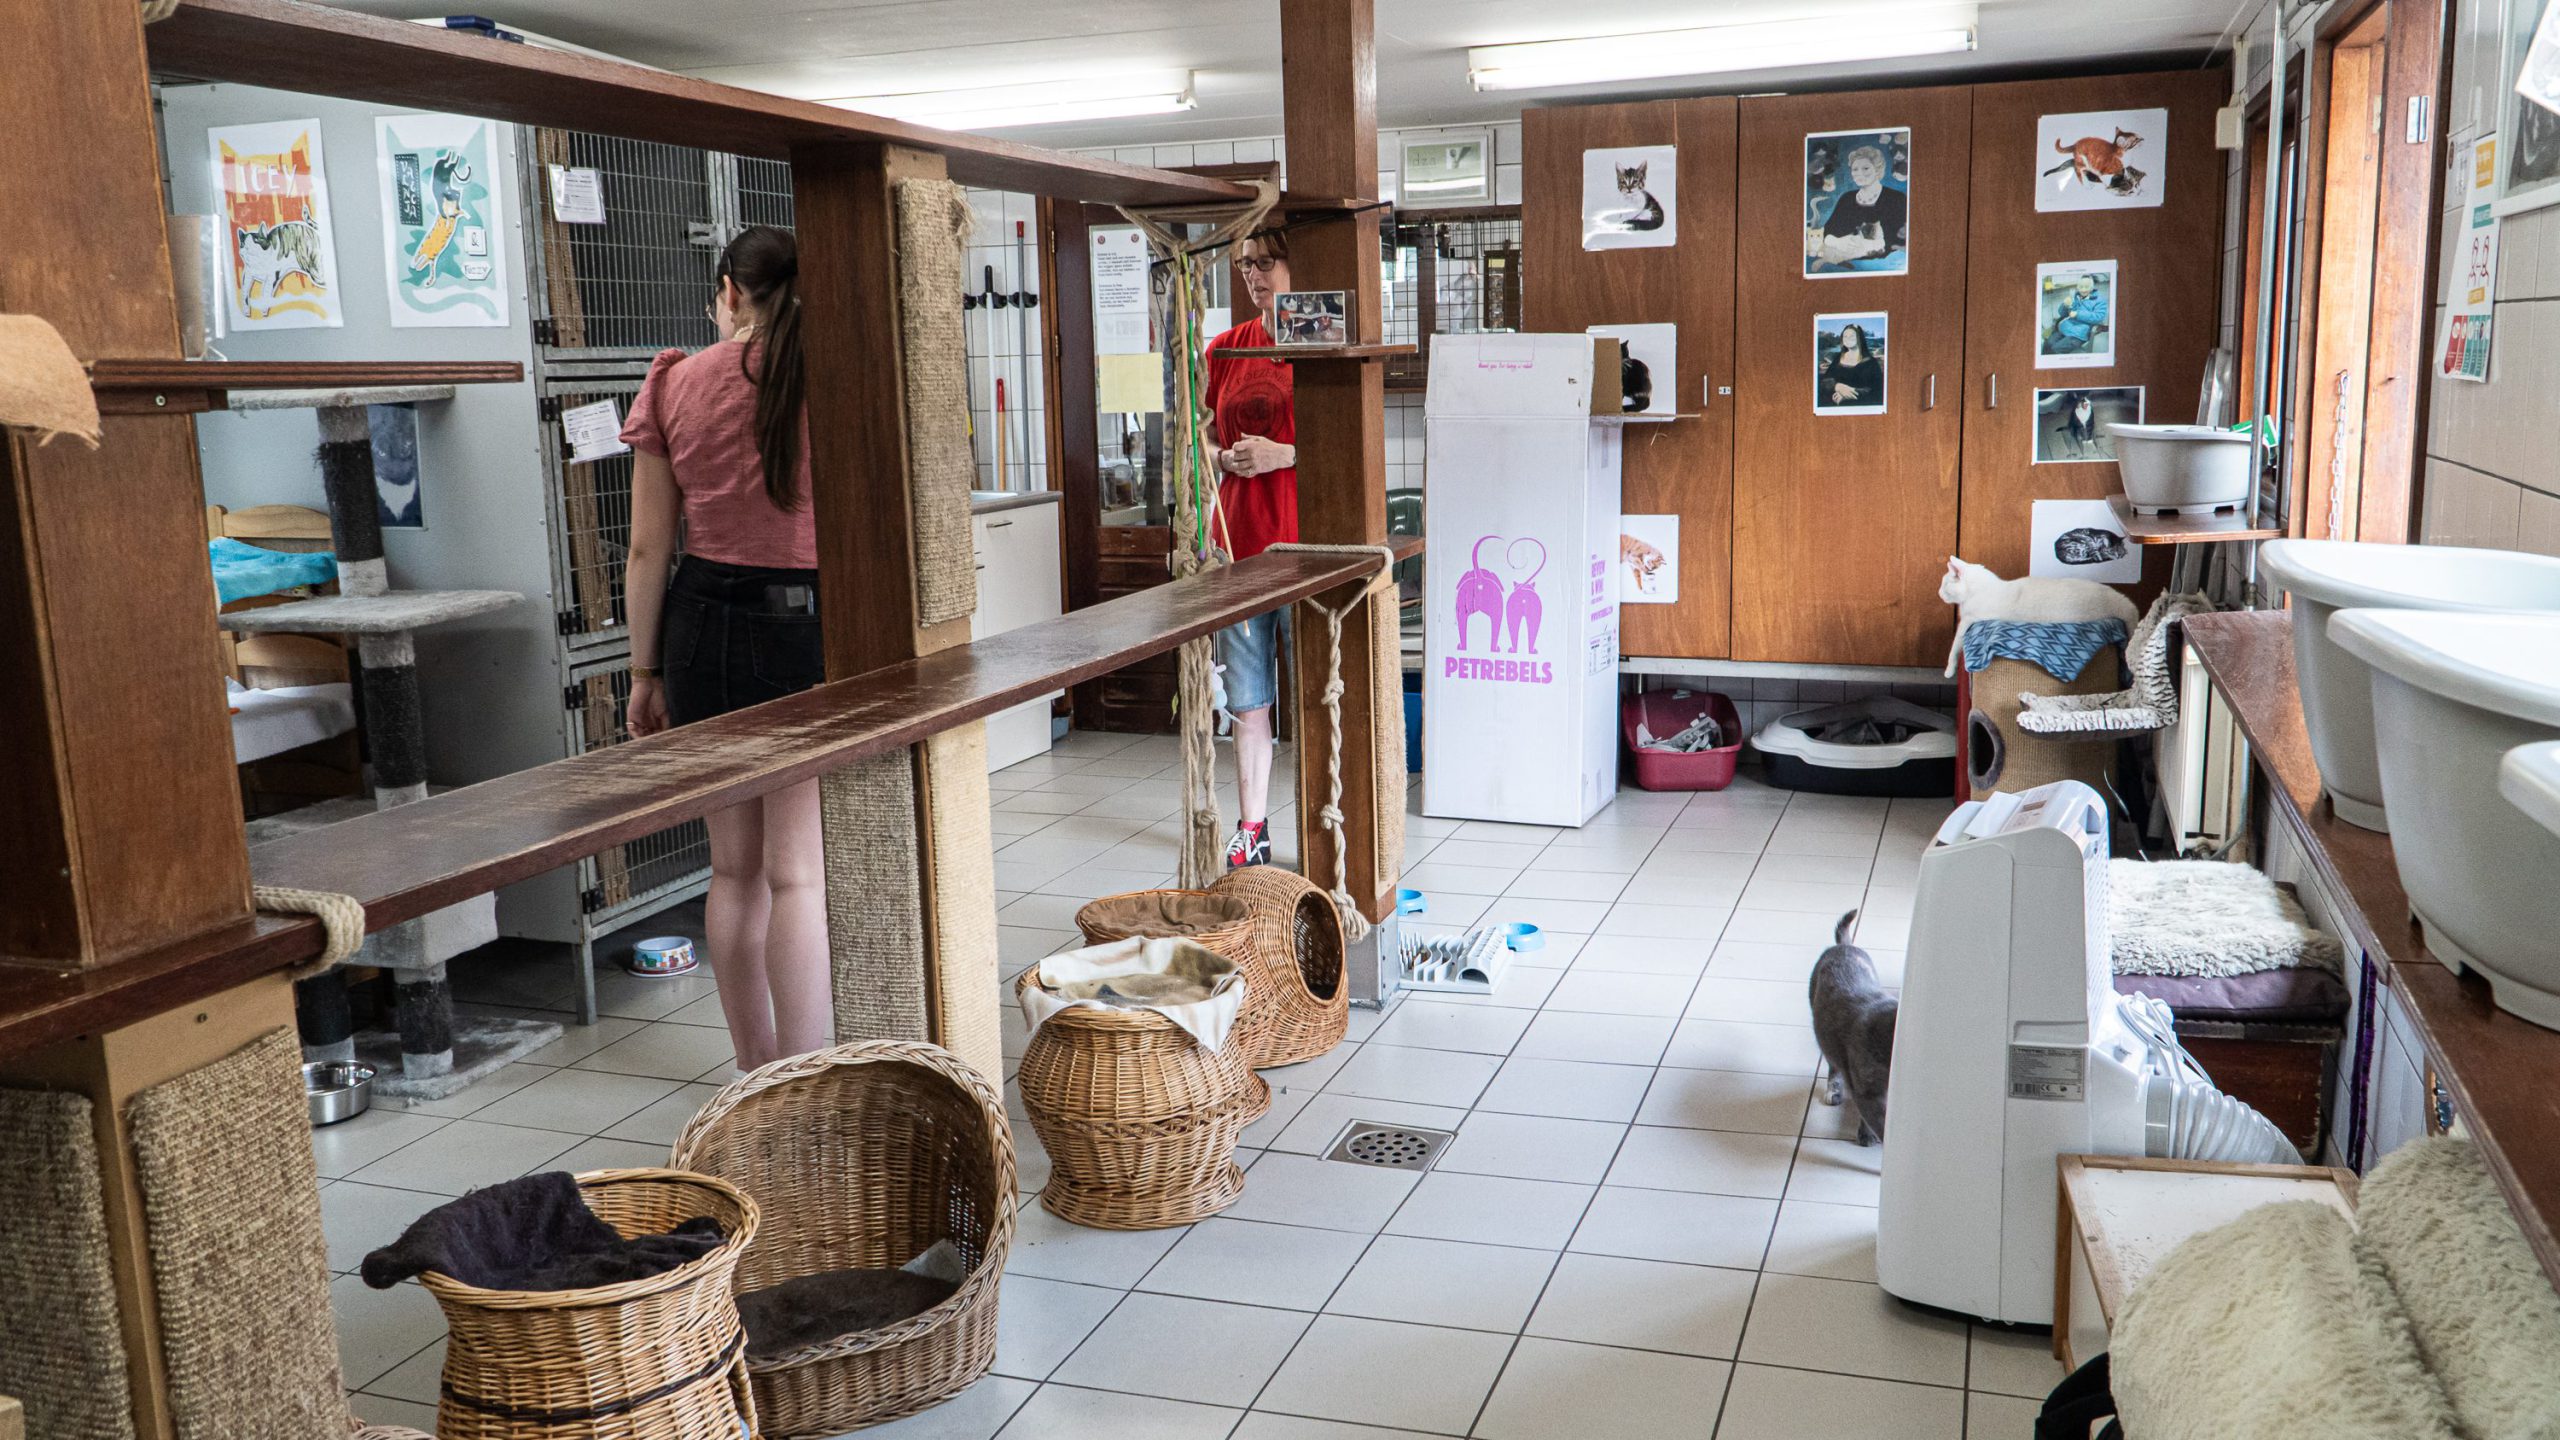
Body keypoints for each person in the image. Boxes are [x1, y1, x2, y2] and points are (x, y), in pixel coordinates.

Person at [618, 225, 829, 1072]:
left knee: (733, 870)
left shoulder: (676, 381)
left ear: (730, 292)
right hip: (808, 624)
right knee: (797, 876)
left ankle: (753, 1070)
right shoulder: (836, 378)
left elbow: (644, 550)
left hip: (699, 624)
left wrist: (644, 671)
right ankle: (805, 1075)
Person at [1204, 229, 1300, 868]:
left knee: (1321, 689)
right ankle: (1253, 827)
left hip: (1308, 546)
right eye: (1244, 267)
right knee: (1246, 695)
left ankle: (1331, 820)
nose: (1254, 277)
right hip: (1240, 547)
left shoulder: (1322, 343)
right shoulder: (1225, 349)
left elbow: (1349, 447)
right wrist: (1225, 457)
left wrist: (1282, 454)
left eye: (1265, 263)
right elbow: (1198, 442)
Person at [1812, 144, 1908, 269]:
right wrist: (1838, 241)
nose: (1858, 173)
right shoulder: (1847, 198)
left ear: (1877, 169)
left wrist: (1866, 245)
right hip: (1840, 260)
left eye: (1865, 168)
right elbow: (1827, 233)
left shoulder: (1896, 198)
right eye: (1855, 169)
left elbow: (1900, 240)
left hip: (1882, 265)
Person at [1820, 323, 1884, 409]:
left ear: (1859, 338)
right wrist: (1836, 386)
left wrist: (1848, 394)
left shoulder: (1871, 362)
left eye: (1852, 336)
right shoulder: (1838, 358)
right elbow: (1825, 380)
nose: (1847, 339)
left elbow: (1877, 391)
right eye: (1845, 336)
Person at [2047, 274, 2109, 354]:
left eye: (2086, 287)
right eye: (2081, 287)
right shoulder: (2075, 297)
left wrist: (2078, 314)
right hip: (2066, 328)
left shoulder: (2100, 300)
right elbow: (2062, 314)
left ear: (2091, 287)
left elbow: (2099, 317)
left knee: (2056, 349)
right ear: (2078, 287)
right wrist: (2065, 305)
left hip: (2079, 334)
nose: (2083, 290)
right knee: (2048, 344)